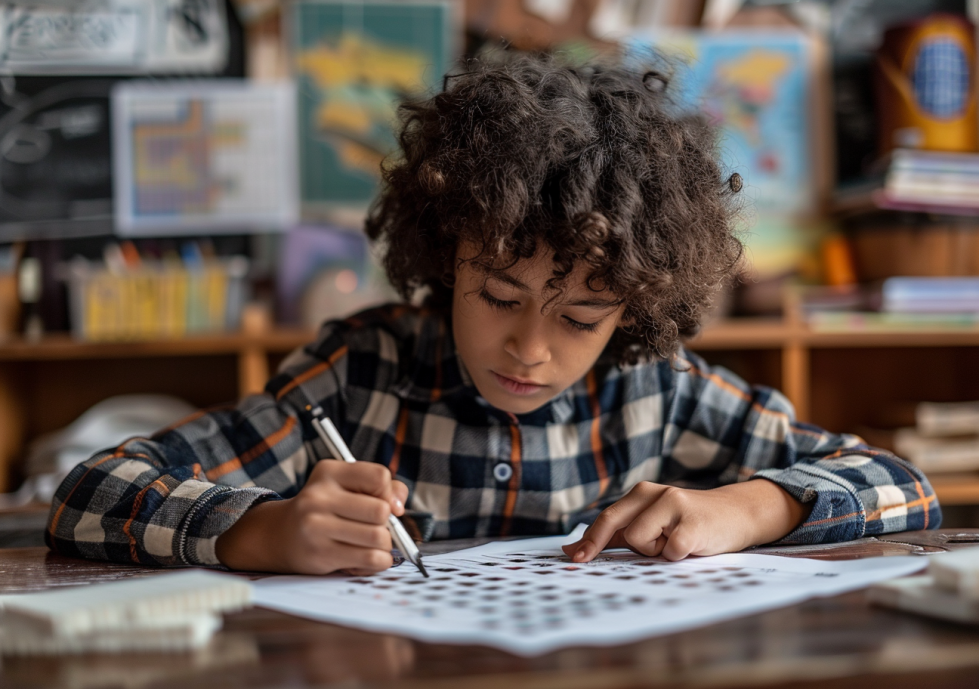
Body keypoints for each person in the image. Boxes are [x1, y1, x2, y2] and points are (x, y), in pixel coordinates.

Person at [46, 54, 939, 573]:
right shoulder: (359, 374)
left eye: (581, 318)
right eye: (500, 295)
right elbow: (87, 494)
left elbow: (905, 484)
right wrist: (257, 528)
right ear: (444, 258)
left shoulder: (658, 390)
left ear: (632, 311)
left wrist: (747, 509)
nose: (530, 347)